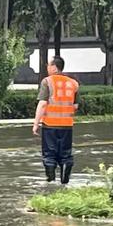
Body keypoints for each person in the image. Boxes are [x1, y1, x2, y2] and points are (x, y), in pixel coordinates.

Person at [32, 56, 79, 184]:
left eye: (48, 65)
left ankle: (51, 184)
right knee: (66, 155)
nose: (47, 67)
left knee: (49, 156)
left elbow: (42, 104)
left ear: (54, 67)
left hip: (50, 125)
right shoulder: (73, 83)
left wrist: (36, 124)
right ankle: (65, 182)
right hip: (67, 126)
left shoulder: (47, 82)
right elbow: (75, 106)